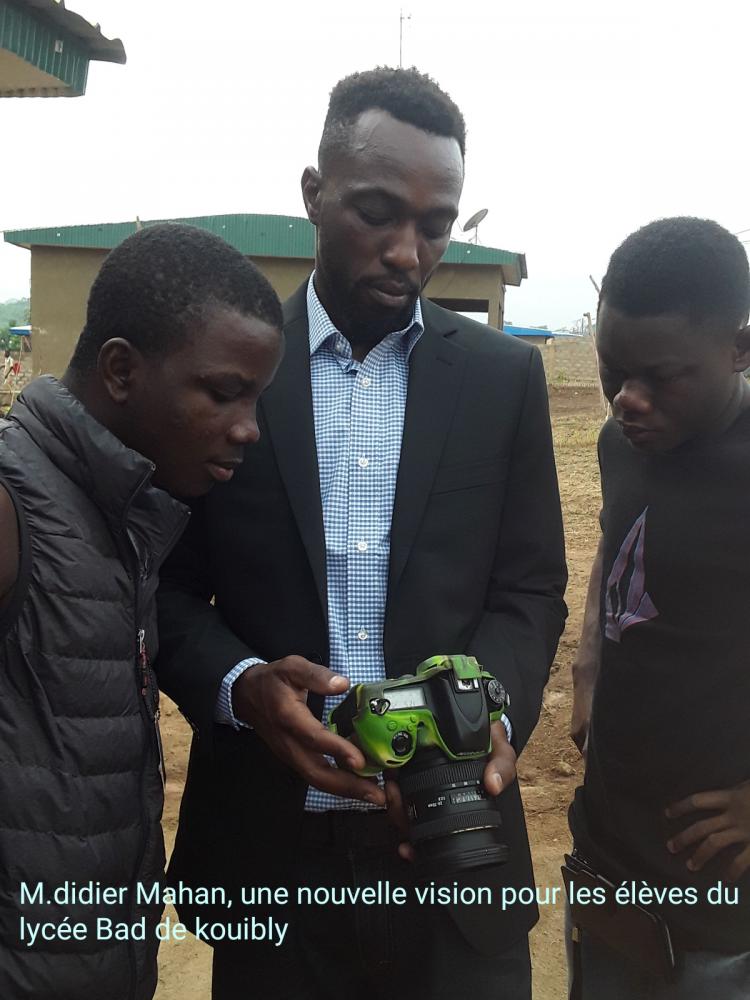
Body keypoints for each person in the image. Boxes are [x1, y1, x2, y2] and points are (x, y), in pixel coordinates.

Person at [157, 66, 567, 1000]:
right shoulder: (230, 372)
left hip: (453, 842)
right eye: (377, 213)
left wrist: (488, 715)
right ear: (313, 193)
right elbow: (165, 587)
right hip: (272, 851)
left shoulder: (502, 381)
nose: (407, 252)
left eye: (436, 225)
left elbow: (530, 588)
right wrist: (244, 686)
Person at [0, 223, 283, 1000]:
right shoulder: (13, 505)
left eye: (257, 398)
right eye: (222, 392)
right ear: (122, 369)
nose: (248, 428)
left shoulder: (123, 518)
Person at [568, 217, 750, 998]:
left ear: (740, 347)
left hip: (719, 897)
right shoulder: (625, 441)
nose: (627, 401)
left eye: (661, 376)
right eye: (613, 372)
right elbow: (619, 544)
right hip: (610, 855)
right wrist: (589, 665)